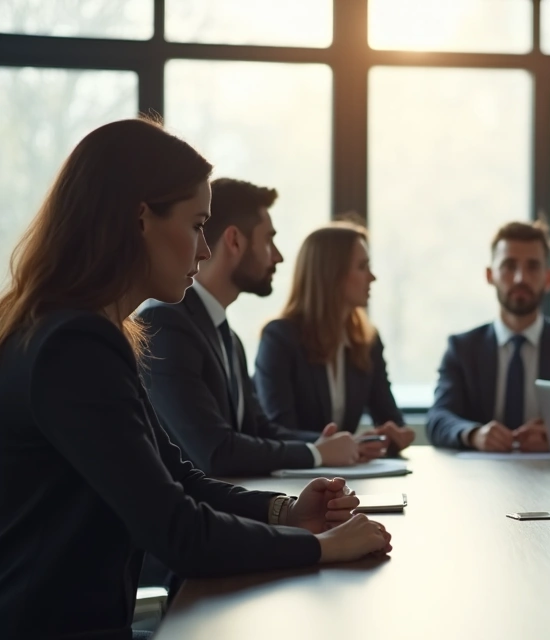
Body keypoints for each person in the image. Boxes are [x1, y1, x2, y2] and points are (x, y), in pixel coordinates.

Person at [0, 118, 391, 639]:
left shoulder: (83, 333)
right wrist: (322, 547)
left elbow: (179, 478)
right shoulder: (74, 347)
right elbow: (176, 531)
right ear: (141, 219)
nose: (204, 250)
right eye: (195, 224)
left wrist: (288, 512)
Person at [139, 178, 384, 476]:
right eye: (268, 240)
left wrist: (332, 444)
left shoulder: (227, 337)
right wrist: (315, 453)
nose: (278, 256)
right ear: (234, 241)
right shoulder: (166, 324)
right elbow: (214, 451)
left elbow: (258, 429)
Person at [426, 221, 550, 451]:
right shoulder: (463, 348)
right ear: (490, 275)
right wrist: (474, 434)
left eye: (533, 267)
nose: (520, 278)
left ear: (548, 278)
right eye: (509, 265)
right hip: (479, 479)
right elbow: (437, 419)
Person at [254, 221, 415, 453]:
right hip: (293, 478)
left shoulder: (367, 341)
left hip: (345, 476)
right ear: (331, 274)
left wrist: (394, 435)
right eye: (362, 267)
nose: (372, 277)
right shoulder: (280, 338)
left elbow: (390, 418)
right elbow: (279, 430)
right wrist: (352, 443)